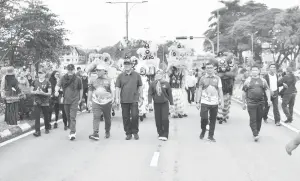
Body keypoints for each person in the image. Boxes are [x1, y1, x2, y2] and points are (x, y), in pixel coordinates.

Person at [115, 57, 143, 140]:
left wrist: (141, 97)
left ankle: (135, 132)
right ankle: (128, 133)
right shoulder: (120, 76)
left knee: (135, 116)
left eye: (128, 64)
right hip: (124, 100)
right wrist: (117, 98)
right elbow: (117, 87)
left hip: (134, 99)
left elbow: (140, 86)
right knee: (125, 117)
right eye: (125, 64)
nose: (126, 66)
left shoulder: (137, 75)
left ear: (131, 65)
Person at [242, 65, 271, 142]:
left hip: (261, 102)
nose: (254, 71)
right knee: (253, 119)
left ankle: (257, 131)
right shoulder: (247, 81)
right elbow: (244, 92)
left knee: (259, 118)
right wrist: (243, 103)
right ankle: (255, 133)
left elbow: (267, 90)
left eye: (256, 70)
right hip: (251, 103)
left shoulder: (263, 80)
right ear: (251, 72)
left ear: (259, 71)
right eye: (253, 70)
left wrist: (269, 99)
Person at [196, 62, 224, 142]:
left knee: (213, 119)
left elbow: (220, 90)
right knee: (204, 118)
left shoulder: (218, 78)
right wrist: (197, 102)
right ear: (205, 69)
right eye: (208, 68)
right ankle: (203, 130)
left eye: (211, 67)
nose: (209, 69)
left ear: (214, 69)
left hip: (214, 103)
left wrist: (222, 102)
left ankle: (210, 136)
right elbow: (200, 90)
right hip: (204, 102)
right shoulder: (202, 78)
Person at [55, 64, 83, 140]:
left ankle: (72, 133)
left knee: (72, 117)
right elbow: (58, 85)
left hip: (75, 100)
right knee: (68, 117)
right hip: (66, 100)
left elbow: (80, 89)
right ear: (67, 70)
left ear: (74, 70)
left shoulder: (78, 79)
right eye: (69, 70)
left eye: (71, 70)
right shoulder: (63, 78)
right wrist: (56, 91)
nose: (70, 71)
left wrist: (80, 98)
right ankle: (72, 128)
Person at [87, 63, 115, 140]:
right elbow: (90, 90)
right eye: (97, 70)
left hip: (107, 101)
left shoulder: (109, 79)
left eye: (99, 71)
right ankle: (95, 133)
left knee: (107, 118)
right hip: (96, 101)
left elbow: (112, 89)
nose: (97, 72)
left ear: (104, 71)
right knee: (96, 116)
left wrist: (114, 97)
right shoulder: (93, 79)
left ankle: (107, 131)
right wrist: (88, 101)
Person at [148, 69, 173, 141]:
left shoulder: (166, 84)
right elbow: (150, 93)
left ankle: (165, 134)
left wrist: (171, 104)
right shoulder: (153, 84)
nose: (158, 75)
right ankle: (160, 133)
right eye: (157, 73)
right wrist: (149, 103)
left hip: (164, 103)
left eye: (160, 73)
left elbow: (170, 94)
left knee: (165, 118)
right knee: (158, 119)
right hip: (156, 104)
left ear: (163, 75)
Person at [31, 68, 52, 137]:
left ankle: (47, 127)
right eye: (39, 73)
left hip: (45, 101)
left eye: (41, 73)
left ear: (44, 74)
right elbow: (31, 91)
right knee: (37, 116)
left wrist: (43, 93)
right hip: (37, 101)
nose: (40, 74)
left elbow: (49, 93)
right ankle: (37, 131)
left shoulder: (47, 82)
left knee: (46, 115)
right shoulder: (34, 82)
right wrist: (35, 92)